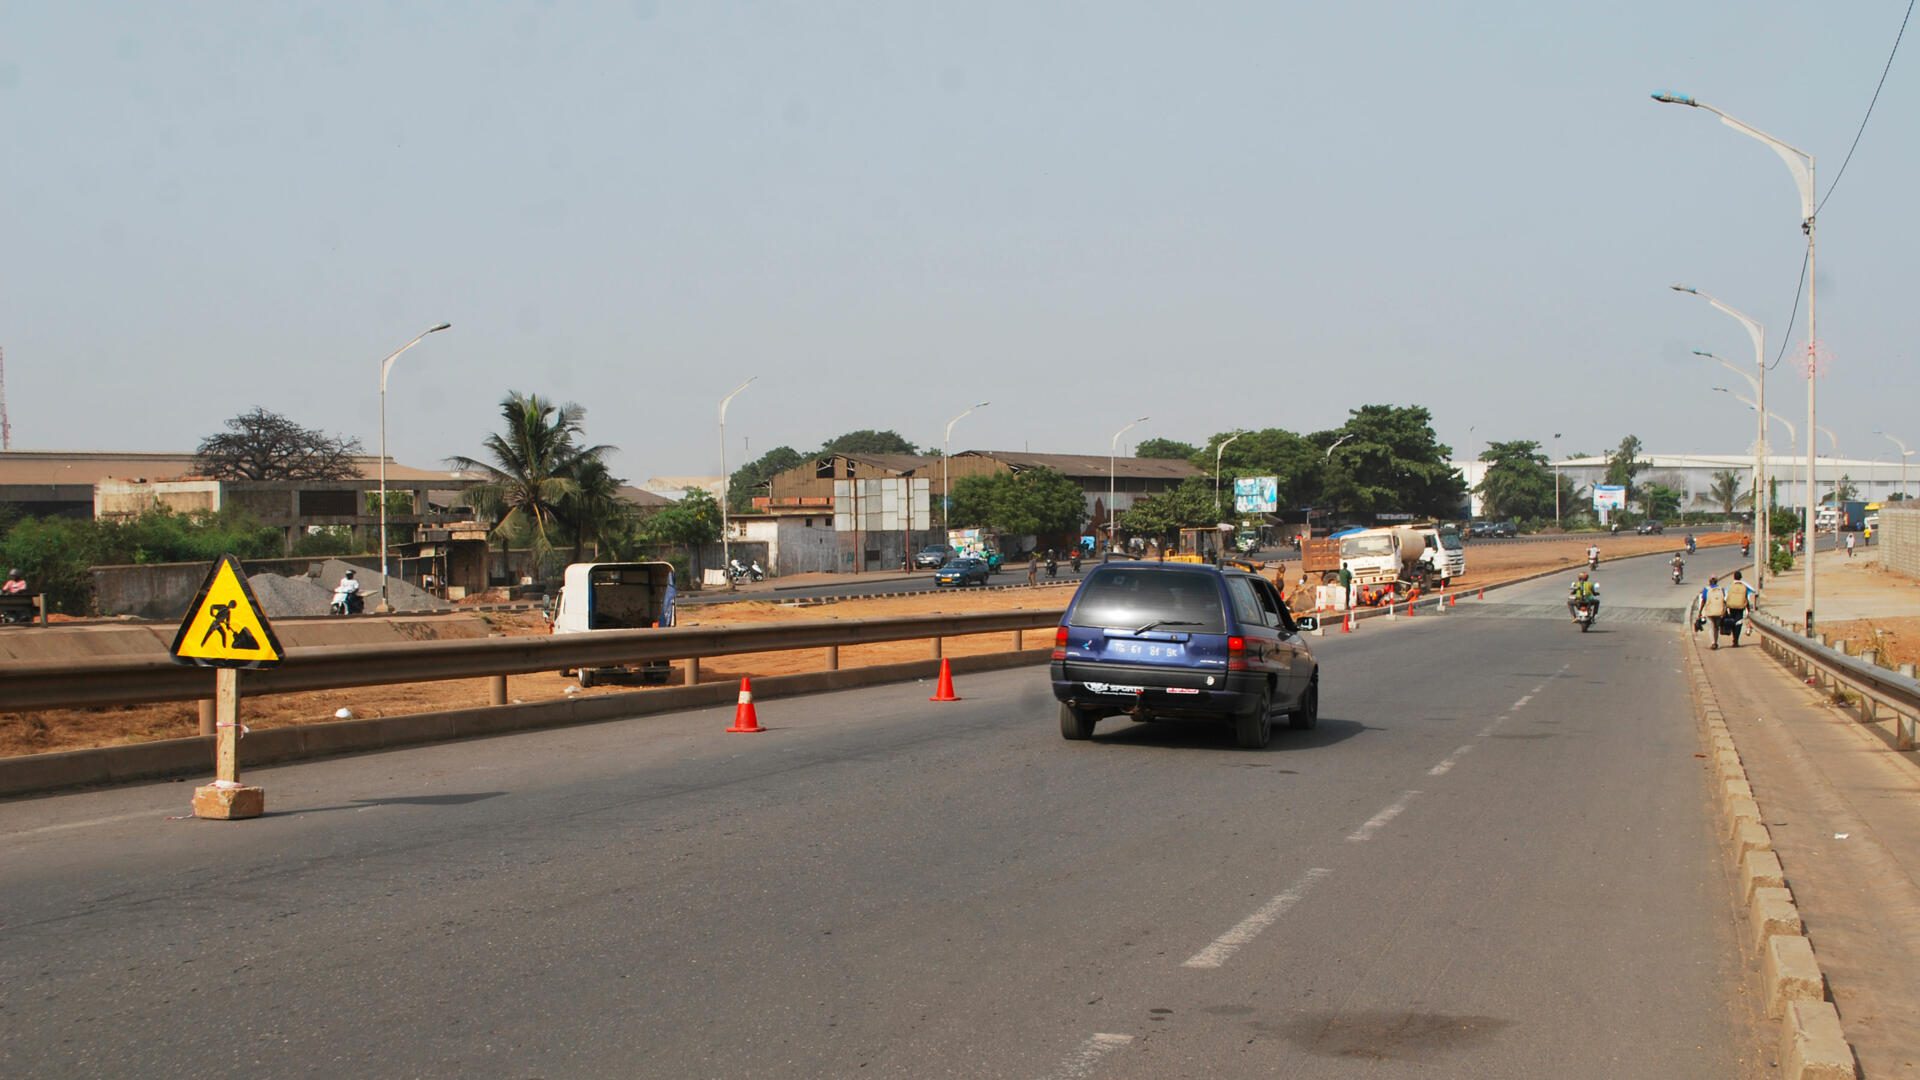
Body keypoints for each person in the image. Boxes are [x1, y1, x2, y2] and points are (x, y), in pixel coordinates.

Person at [1723, 569, 1759, 647]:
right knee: (1738, 623)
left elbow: (1725, 598)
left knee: (1732, 622)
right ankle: (1736, 639)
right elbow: (1746, 598)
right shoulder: (1744, 587)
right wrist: (1748, 609)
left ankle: (1734, 638)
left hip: (1731, 607)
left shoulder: (1730, 586)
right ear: (1741, 578)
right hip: (1740, 608)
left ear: (1734, 577)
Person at [1698, 575, 1728, 649]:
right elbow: (1723, 599)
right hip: (1719, 611)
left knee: (1711, 627)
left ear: (1709, 582)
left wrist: (1700, 611)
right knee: (1716, 627)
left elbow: (1703, 601)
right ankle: (1716, 642)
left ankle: (1713, 643)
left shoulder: (1706, 589)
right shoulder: (1721, 589)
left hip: (1710, 611)